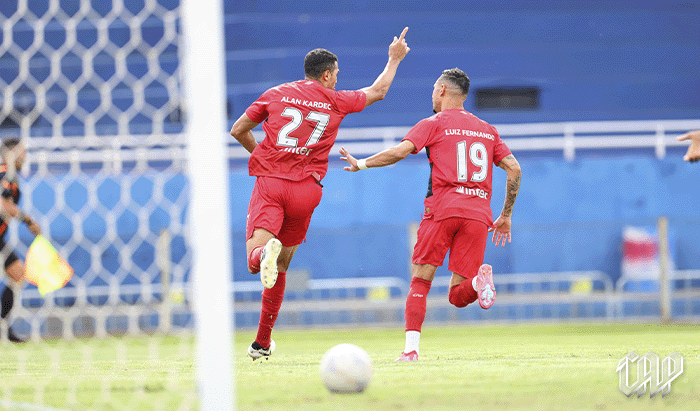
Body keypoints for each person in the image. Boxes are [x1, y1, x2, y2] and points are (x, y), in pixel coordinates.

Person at [230, 28, 410, 360]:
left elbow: (238, 129)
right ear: (326, 75)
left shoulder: (276, 94)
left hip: (272, 185)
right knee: (281, 266)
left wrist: (261, 156)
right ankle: (262, 342)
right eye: (337, 75)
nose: (338, 81)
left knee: (258, 262)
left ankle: (262, 256)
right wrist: (393, 58)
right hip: (307, 192)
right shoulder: (336, 100)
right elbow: (379, 90)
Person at [340, 68, 521, 361]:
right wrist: (506, 215)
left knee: (420, 282)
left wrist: (361, 164)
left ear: (442, 91)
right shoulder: (487, 129)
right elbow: (514, 168)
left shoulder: (433, 123)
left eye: (433, 91)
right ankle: (479, 283)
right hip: (478, 214)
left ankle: (411, 350)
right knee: (457, 294)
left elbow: (399, 153)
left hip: (442, 209)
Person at [0, 138, 41, 343]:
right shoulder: (4, 172)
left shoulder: (12, 176)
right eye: (22, 152)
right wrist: (28, 220)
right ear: (11, 152)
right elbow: (3, 205)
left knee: (17, 274)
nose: (25, 156)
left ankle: (5, 328)